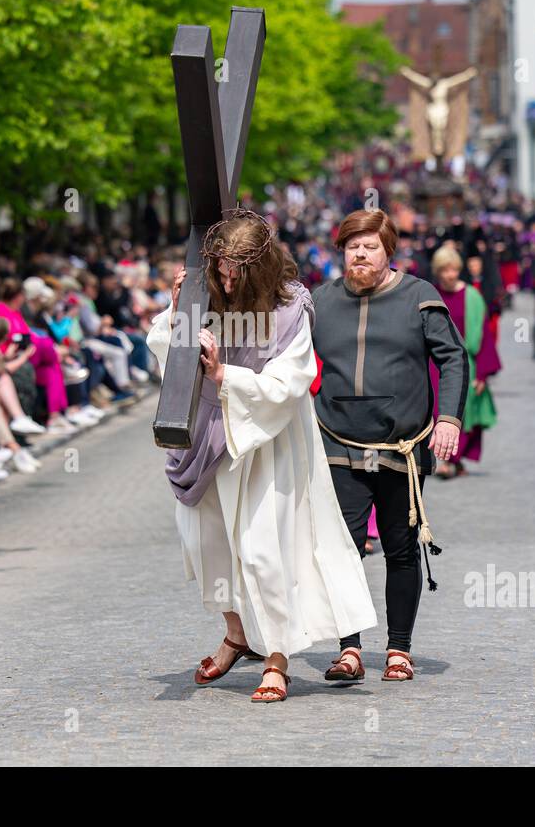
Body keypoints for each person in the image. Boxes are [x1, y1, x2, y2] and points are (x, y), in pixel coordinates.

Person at [146, 210, 376, 703]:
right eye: (221, 270)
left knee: (262, 549)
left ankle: (277, 658)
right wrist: (175, 311)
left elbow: (290, 383)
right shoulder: (204, 294)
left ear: (261, 269)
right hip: (209, 432)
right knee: (208, 543)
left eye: (237, 273)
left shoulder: (291, 307)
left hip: (268, 439)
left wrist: (226, 376)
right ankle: (236, 633)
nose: (227, 281)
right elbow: (165, 350)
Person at [311, 209, 468, 683]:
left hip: (402, 447)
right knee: (344, 550)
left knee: (400, 549)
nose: (360, 253)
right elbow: (283, 357)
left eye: (370, 246)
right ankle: (350, 649)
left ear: (388, 251)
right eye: (352, 246)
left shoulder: (420, 297)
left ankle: (399, 649)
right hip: (337, 443)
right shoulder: (319, 302)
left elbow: (454, 358)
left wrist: (449, 419)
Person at [430, 245, 499, 475]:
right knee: (441, 410)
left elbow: (484, 335)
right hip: (435, 363)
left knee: (465, 411)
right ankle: (449, 461)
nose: (450, 275)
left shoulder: (472, 296)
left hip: (465, 361)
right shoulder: (431, 294)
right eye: (444, 270)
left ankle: (452, 461)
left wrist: (482, 374)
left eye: (453, 270)